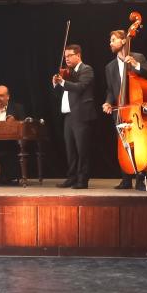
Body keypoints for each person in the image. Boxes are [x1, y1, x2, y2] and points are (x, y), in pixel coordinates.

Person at [102, 29, 147, 191]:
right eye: (110, 40)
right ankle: (125, 179)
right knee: (123, 144)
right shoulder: (109, 67)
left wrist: (136, 65)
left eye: (113, 40)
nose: (110, 43)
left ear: (124, 41)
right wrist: (108, 102)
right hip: (120, 111)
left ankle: (141, 179)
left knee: (140, 144)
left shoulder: (137, 57)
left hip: (137, 111)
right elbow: (110, 90)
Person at [52, 44, 96, 189]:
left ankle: (82, 180)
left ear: (78, 55)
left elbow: (80, 87)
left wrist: (63, 81)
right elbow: (61, 94)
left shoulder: (86, 69)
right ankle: (72, 177)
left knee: (82, 150)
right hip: (69, 116)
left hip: (81, 115)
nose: (67, 59)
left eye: (70, 56)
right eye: (65, 56)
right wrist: (56, 84)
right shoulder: (67, 73)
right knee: (70, 149)